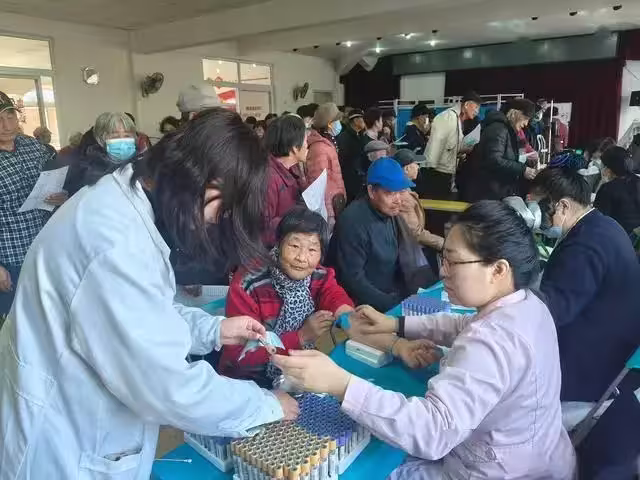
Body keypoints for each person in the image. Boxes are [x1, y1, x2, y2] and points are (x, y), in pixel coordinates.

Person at [0, 108, 300, 480]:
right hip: (63, 444)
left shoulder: (125, 197)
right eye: (222, 209)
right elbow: (167, 387)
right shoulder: (115, 243)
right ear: (202, 180)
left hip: (77, 410)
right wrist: (264, 404)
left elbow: (142, 315)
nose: (214, 221)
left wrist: (213, 329)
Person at [275, 200, 575, 480]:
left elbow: (433, 431)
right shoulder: (527, 303)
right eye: (444, 259)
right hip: (538, 453)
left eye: (453, 262)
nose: (443, 272)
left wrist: (341, 385)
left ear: (498, 269)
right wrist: (396, 324)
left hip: (497, 470)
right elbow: (465, 324)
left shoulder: (493, 340)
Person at [531, 168, 640, 398]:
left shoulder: (583, 246)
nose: (538, 216)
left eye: (540, 207)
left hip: (589, 367)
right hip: (613, 350)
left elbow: (553, 312)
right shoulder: (603, 225)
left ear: (562, 206)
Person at [220, 207, 354, 384]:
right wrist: (301, 337)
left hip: (294, 374)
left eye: (312, 250)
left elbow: (333, 295)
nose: (302, 258)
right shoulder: (248, 284)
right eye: (294, 246)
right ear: (279, 243)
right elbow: (240, 355)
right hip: (248, 381)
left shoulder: (317, 275)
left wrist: (347, 315)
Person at [329, 157, 426, 312]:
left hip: (392, 294)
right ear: (371, 191)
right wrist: (395, 305)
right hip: (366, 306)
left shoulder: (391, 214)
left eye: (400, 192)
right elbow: (353, 280)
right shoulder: (353, 222)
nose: (398, 200)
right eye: (390, 193)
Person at [0, 91, 66, 316]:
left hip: (45, 247)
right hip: (10, 257)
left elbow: (56, 178)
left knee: (50, 315)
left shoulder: (32, 146)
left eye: (10, 116)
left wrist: (62, 195)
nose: (6, 125)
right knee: (17, 320)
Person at [460, 99, 538, 202]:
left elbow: (508, 156)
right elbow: (494, 160)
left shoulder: (508, 130)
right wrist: (523, 170)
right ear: (516, 114)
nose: (526, 124)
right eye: (526, 118)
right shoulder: (498, 129)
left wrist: (526, 162)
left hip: (494, 189)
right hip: (486, 191)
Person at [64, 112, 138, 196]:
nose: (122, 142)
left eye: (127, 136)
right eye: (115, 137)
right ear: (101, 140)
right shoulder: (85, 169)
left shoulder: (139, 165)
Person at [424, 91, 482, 199]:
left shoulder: (457, 119)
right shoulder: (448, 117)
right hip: (439, 172)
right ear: (466, 104)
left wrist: (464, 150)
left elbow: (451, 145)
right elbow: (436, 143)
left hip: (447, 170)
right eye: (476, 107)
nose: (477, 112)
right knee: (437, 203)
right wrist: (431, 169)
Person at [263, 115, 309, 246]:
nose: (307, 146)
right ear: (294, 147)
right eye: (305, 141)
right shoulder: (268, 179)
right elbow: (262, 229)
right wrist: (295, 219)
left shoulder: (292, 169)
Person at [306, 102, 346, 229]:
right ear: (329, 124)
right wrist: (329, 213)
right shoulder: (320, 148)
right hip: (328, 211)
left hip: (334, 204)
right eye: (336, 121)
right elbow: (319, 184)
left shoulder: (328, 142)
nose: (339, 124)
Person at [395, 149, 444, 251]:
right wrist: (442, 243)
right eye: (416, 164)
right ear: (406, 169)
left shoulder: (403, 187)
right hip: (408, 248)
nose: (418, 167)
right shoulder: (403, 196)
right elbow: (415, 233)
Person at [594, 146, 640, 234]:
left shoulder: (608, 189)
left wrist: (603, 182)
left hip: (611, 234)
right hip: (632, 237)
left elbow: (597, 220)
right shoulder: (637, 180)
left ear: (608, 169)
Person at [337, 108, 365, 202]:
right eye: (362, 119)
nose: (364, 122)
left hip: (358, 179)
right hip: (349, 180)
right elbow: (343, 160)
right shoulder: (344, 137)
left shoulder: (360, 135)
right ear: (356, 120)